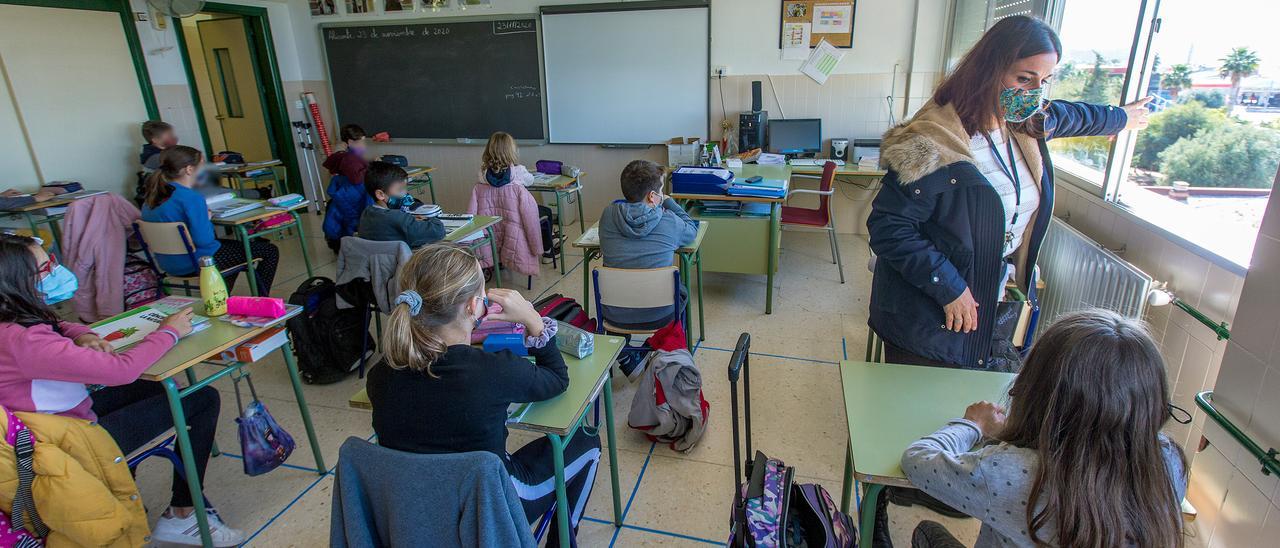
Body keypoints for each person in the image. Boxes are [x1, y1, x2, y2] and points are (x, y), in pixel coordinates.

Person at [866, 15, 1153, 371]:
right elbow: (889, 228)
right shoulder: (931, 142)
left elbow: (1074, 115)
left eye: (1044, 81)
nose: (1033, 93)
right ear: (989, 70)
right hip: (929, 312)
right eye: (1023, 78)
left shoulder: (1024, 124)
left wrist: (1122, 118)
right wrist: (949, 287)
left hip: (992, 297)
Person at [0, 233, 245, 546]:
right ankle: (182, 515)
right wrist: (169, 332)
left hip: (56, 422)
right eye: (45, 269)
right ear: (17, 282)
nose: (55, 271)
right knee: (201, 399)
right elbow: (122, 370)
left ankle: (132, 486)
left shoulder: (12, 318)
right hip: (68, 443)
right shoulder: (23, 342)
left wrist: (82, 335)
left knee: (160, 390)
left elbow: (56, 325)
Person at [366, 244, 600, 543]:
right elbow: (556, 379)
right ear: (472, 306)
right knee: (587, 440)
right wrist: (533, 320)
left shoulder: (381, 375)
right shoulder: (493, 371)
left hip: (413, 511)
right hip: (490, 510)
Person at [900, 309, 1187, 547]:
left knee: (926, 533)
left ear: (1039, 392)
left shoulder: (1009, 470)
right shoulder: (1169, 464)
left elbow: (917, 459)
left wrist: (973, 424)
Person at [140, 146, 279, 295]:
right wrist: (206, 219)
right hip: (197, 262)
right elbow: (204, 241)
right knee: (269, 251)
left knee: (234, 250)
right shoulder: (191, 198)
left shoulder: (150, 199)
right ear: (189, 169)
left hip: (168, 264)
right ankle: (261, 300)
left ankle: (220, 296)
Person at [468, 132, 543, 278]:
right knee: (544, 212)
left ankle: (497, 260)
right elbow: (530, 181)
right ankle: (547, 252)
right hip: (514, 230)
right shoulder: (519, 172)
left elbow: (472, 214)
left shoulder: (481, 175)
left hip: (490, 232)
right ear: (512, 151)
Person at [599, 159, 698, 269]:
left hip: (614, 286)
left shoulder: (608, 214)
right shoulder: (670, 221)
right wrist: (668, 201)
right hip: (659, 286)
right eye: (660, 190)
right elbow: (692, 231)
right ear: (652, 196)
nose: (662, 194)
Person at [357, 161, 444, 248]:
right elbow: (438, 231)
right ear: (380, 194)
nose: (405, 193)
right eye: (400, 190)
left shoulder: (366, 214)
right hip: (405, 260)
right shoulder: (399, 218)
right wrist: (428, 219)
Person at [323, 124, 374, 252]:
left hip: (346, 196)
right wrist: (371, 167)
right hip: (353, 198)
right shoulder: (350, 159)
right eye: (361, 142)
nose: (363, 145)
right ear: (350, 142)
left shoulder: (345, 157)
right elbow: (357, 179)